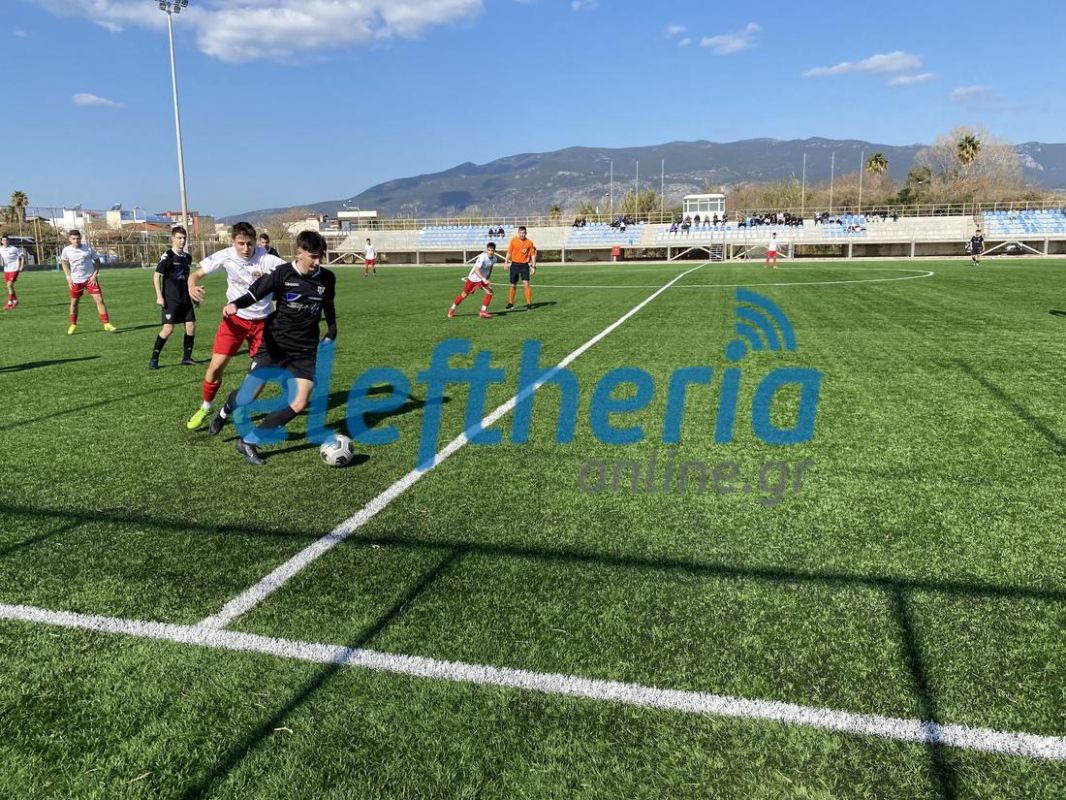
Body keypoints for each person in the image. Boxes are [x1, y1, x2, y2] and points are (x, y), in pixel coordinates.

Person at [208, 230, 337, 466]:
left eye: (320, 256)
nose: (318, 262)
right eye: (313, 257)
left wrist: (332, 329)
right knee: (247, 397)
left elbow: (328, 304)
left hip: (304, 349)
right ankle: (225, 410)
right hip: (275, 344)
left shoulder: (327, 278)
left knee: (299, 402)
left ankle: (248, 442)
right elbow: (255, 293)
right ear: (299, 253)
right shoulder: (282, 273)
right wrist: (236, 304)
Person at [184, 222, 287, 430]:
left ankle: (240, 407)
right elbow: (196, 274)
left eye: (249, 243)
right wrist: (191, 284)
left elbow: (292, 272)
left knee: (259, 376)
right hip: (235, 320)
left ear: (255, 242)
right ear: (233, 242)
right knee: (215, 368)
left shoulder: (267, 258)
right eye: (241, 243)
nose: (245, 248)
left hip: (263, 324)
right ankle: (206, 406)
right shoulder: (226, 255)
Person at [149, 226, 196, 370]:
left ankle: (187, 358)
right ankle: (154, 358)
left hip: (185, 299)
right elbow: (156, 277)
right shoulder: (167, 256)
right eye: (179, 238)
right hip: (171, 299)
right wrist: (159, 297)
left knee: (190, 326)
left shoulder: (187, 258)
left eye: (184, 238)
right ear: (173, 239)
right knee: (168, 329)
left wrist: (193, 292)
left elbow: (187, 278)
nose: (182, 241)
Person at [61, 230, 116, 334]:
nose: (76, 241)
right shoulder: (66, 250)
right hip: (76, 281)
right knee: (74, 303)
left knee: (99, 300)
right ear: (69, 239)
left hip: (90, 279)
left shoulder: (88, 248)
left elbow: (97, 261)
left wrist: (94, 275)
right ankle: (73, 324)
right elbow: (64, 263)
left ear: (80, 238)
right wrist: (68, 278)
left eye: (78, 238)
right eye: (73, 239)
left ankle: (106, 324)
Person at [448, 242, 497, 319]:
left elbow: (490, 267)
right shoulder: (482, 257)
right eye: (489, 250)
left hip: (482, 279)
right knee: (464, 294)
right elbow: (476, 270)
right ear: (486, 250)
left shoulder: (494, 259)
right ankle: (452, 308)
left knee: (490, 292)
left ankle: (482, 311)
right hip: (473, 278)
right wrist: (484, 279)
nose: (490, 252)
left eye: (492, 250)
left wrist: (487, 278)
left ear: (494, 251)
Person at [504, 226, 537, 311]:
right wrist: (506, 262)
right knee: (513, 285)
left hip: (524, 265)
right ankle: (511, 303)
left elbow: (533, 255)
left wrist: (534, 267)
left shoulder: (529, 242)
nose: (522, 234)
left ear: (526, 233)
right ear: (518, 233)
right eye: (520, 233)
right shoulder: (513, 240)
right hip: (514, 265)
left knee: (526, 284)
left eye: (523, 233)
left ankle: (529, 304)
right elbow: (509, 252)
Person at [0, 234, 26, 310]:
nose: (5, 241)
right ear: (1, 241)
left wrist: (22, 266)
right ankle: (15, 301)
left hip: (14, 269)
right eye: (4, 240)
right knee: (10, 287)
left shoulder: (14, 249)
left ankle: (9, 303)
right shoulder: (1, 249)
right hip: (6, 269)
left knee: (9, 285)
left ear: (8, 241)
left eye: (6, 240)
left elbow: (22, 256)